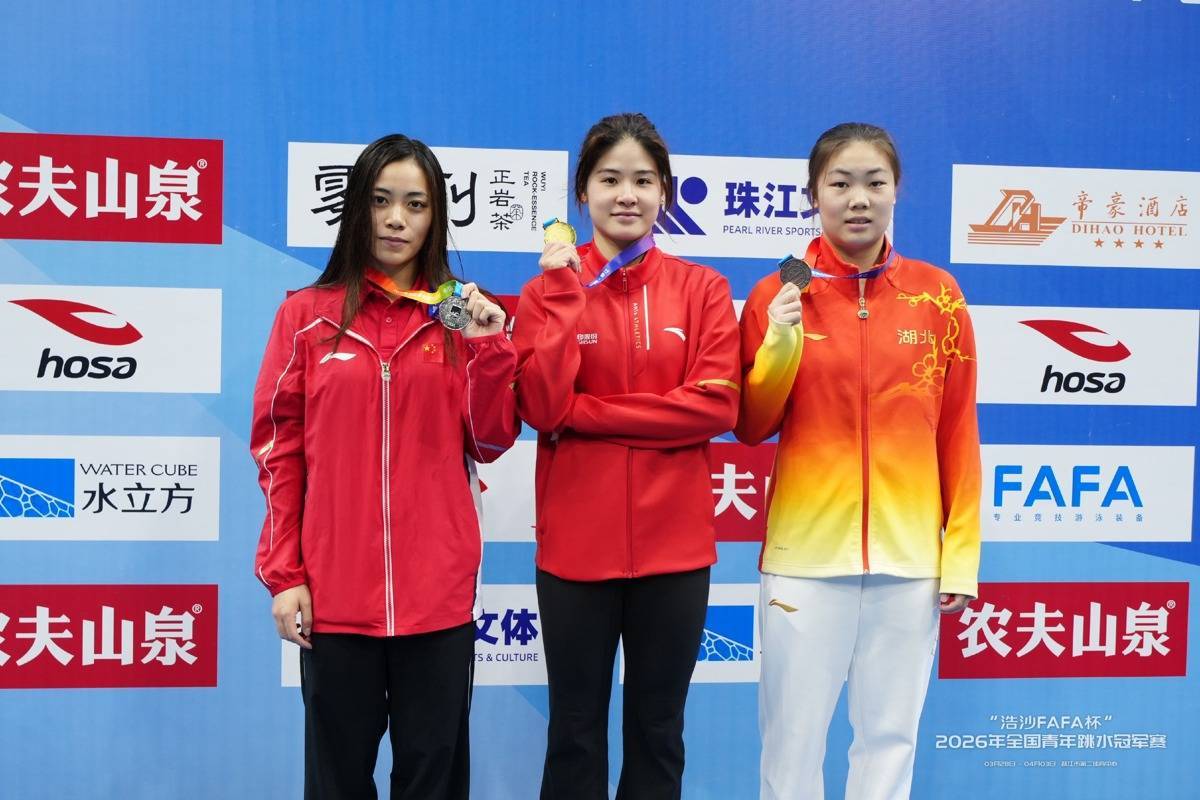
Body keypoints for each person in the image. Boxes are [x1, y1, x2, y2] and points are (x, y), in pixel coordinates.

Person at [250, 133, 519, 800]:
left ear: (435, 216)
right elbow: (279, 452)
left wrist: (490, 350)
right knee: (336, 782)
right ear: (356, 208)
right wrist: (285, 575)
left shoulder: (461, 317)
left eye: (415, 204)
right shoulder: (305, 318)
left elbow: (490, 441)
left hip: (439, 601)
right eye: (380, 200)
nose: (397, 219)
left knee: (434, 781)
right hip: (335, 599)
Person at [736, 122, 981, 800]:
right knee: (791, 743)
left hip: (910, 563)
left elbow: (959, 432)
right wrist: (780, 339)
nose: (858, 199)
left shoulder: (938, 296)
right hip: (805, 560)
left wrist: (960, 553)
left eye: (874, 182)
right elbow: (752, 425)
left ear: (897, 190)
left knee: (890, 740)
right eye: (840, 183)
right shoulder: (775, 294)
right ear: (813, 194)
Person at [512, 112, 741, 799]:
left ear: (664, 193)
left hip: (675, 554)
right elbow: (542, 407)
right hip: (575, 553)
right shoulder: (544, 293)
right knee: (574, 731)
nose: (627, 195)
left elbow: (716, 408)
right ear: (583, 192)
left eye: (643, 180)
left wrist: (587, 414)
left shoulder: (701, 289)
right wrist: (562, 298)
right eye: (610, 179)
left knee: (658, 731)